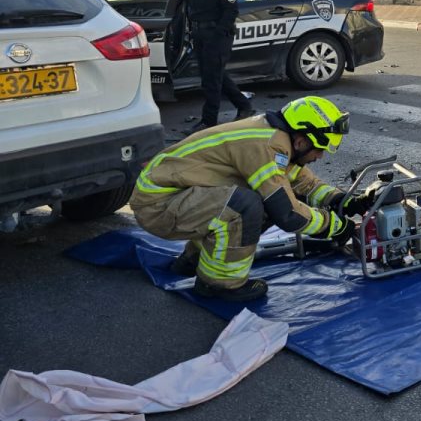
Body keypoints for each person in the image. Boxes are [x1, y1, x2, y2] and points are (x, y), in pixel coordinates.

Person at [130, 96, 366, 301]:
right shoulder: (266, 146)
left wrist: (341, 200)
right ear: (301, 141)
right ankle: (219, 283)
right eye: (319, 149)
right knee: (248, 205)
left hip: (173, 196)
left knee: (255, 200)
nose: (320, 156)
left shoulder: (276, 137)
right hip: (158, 205)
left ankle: (194, 259)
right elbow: (288, 215)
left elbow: (301, 180)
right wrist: (335, 226)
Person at [171, 0, 253, 135]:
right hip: (200, 36)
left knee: (211, 81)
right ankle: (244, 105)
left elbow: (231, 10)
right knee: (216, 75)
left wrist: (217, 34)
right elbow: (193, 4)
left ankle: (209, 121)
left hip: (216, 37)